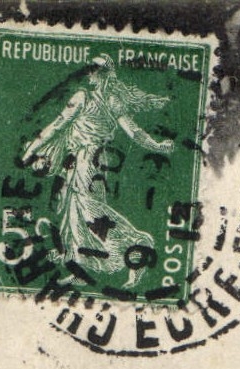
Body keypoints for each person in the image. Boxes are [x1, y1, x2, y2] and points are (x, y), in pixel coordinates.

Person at [19, 55, 174, 286]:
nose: (89, 73)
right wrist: (32, 149)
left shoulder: (101, 100)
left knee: (91, 213)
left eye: (94, 70)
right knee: (73, 215)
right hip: (82, 161)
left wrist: (157, 146)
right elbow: (59, 124)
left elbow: (132, 131)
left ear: (102, 75)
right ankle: (80, 267)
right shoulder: (93, 98)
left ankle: (138, 248)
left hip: (88, 161)